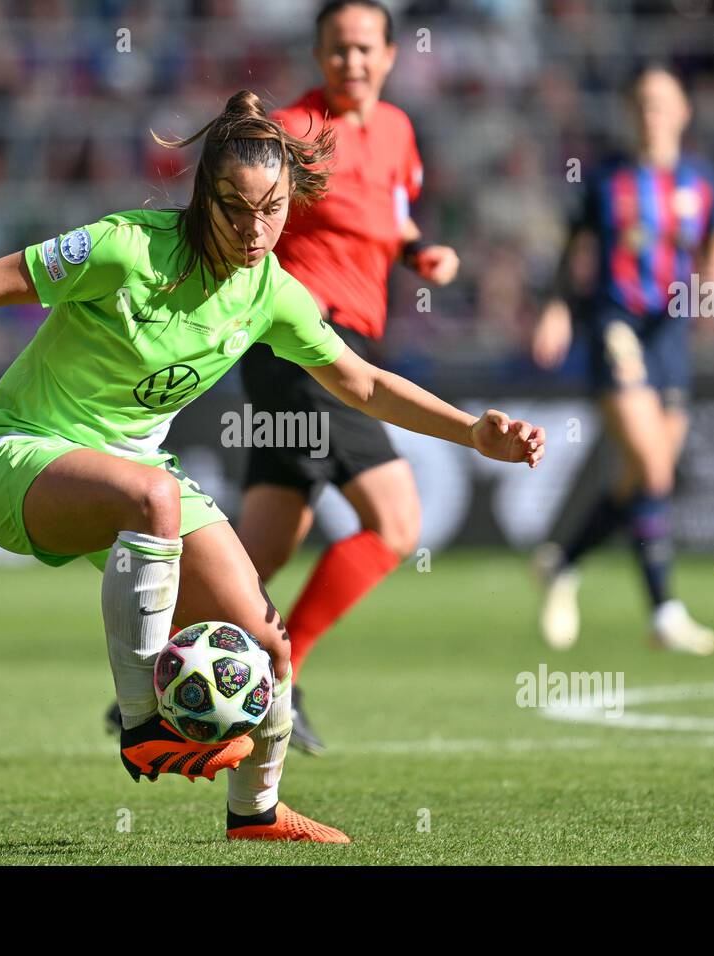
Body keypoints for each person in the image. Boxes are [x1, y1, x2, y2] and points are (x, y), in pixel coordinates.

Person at [0, 90, 545, 844]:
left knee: (270, 645)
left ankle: (256, 812)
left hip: (133, 478)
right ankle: (144, 720)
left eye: (272, 209)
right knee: (154, 497)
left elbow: (364, 383)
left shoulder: (271, 292)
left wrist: (474, 431)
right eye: (236, 210)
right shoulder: (126, 247)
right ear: (204, 198)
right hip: (20, 457)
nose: (254, 230)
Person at [238, 0, 460, 755]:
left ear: (391, 55)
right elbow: (244, 220)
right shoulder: (293, 133)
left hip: (339, 343)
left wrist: (419, 251)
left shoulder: (397, 131)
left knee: (262, 546)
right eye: (337, 49)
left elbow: (390, 215)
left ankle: (167, 674)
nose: (351, 62)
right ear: (318, 54)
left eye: (365, 48)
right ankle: (280, 675)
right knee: (396, 525)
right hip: (307, 344)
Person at [531, 64, 714, 655]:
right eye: (642, 103)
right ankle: (663, 610)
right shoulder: (607, 181)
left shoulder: (702, 180)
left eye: (661, 103)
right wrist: (555, 309)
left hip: (670, 336)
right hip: (614, 325)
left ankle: (563, 562)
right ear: (630, 113)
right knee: (651, 469)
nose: (652, 114)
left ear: (682, 112)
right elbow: (574, 253)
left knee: (641, 478)